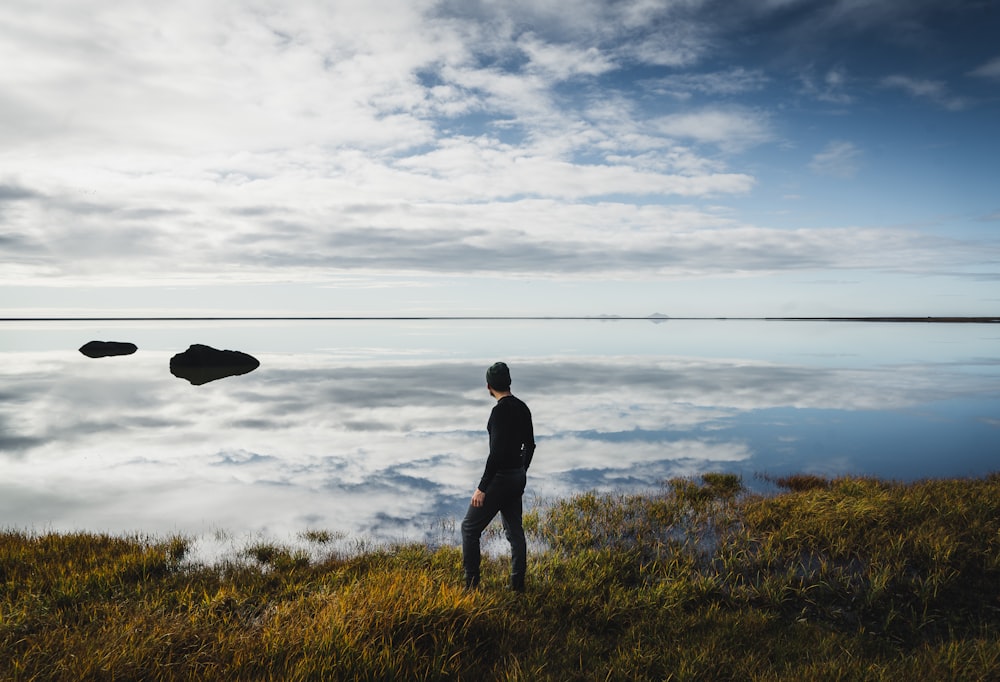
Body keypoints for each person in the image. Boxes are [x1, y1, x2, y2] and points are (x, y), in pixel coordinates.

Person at [461, 361, 536, 592]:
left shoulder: (498, 412)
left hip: (501, 479)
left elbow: (496, 454)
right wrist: (522, 470)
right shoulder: (523, 407)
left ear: (488, 387)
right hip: (517, 477)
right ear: (510, 382)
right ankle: (517, 586)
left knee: (469, 529)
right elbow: (530, 446)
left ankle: (471, 587)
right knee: (515, 532)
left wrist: (482, 488)